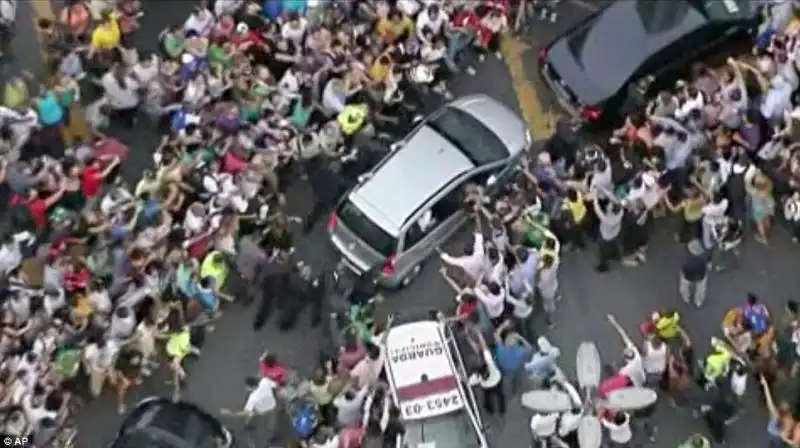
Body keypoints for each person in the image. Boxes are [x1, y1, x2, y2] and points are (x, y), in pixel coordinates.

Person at [220, 375, 279, 443]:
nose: (246, 388)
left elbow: (245, 412)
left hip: (262, 411)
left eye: (247, 387)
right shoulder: (265, 381)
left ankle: (250, 425)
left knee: (266, 422)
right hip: (273, 406)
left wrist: (229, 413)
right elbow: (275, 385)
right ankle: (272, 435)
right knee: (271, 423)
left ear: (253, 387)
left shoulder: (253, 398)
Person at [680, 239, 710, 307]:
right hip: (701, 276)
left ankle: (686, 297)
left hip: (688, 276)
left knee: (685, 286)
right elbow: (707, 266)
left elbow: (684, 270)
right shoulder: (704, 258)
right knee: (701, 289)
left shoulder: (687, 261)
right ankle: (698, 301)